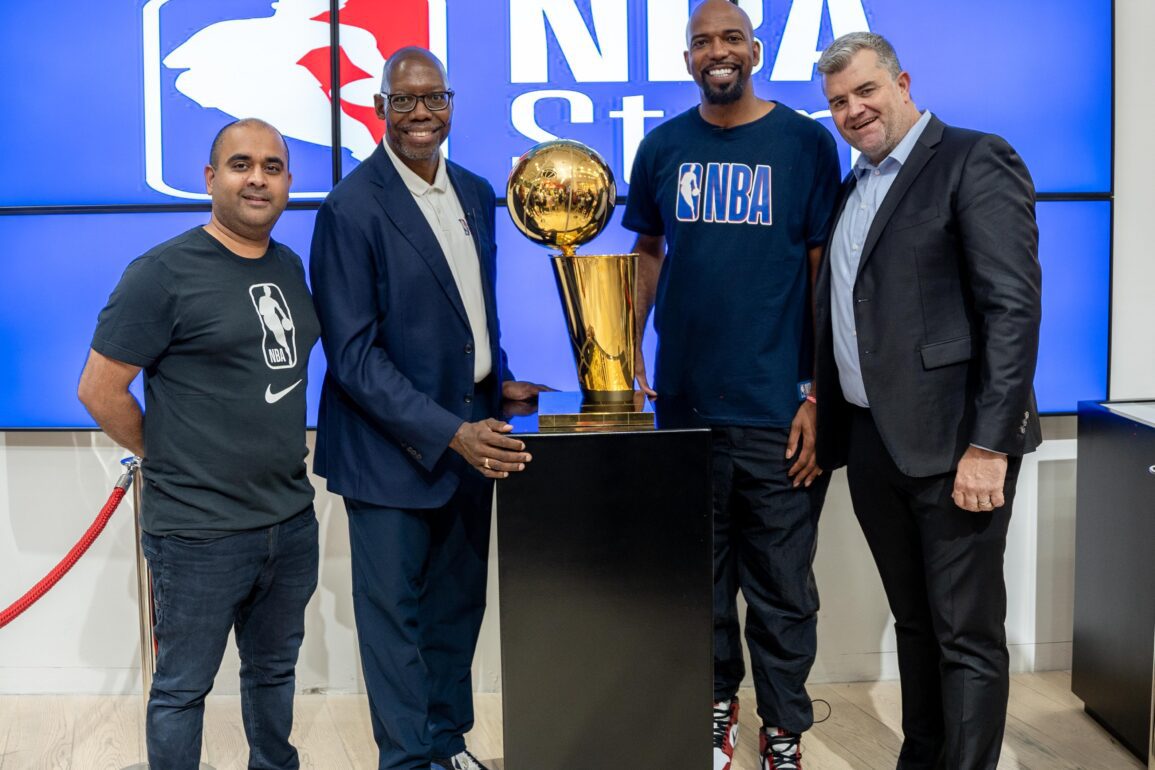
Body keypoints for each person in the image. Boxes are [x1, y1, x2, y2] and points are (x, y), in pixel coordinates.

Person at [308, 47, 546, 770]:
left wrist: (496, 379)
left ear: (450, 104)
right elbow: (352, 357)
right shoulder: (350, 208)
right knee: (395, 624)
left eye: (432, 99)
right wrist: (451, 434)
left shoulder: (475, 191)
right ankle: (407, 762)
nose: (419, 114)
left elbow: (471, 312)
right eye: (403, 101)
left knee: (455, 609)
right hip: (393, 452)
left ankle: (446, 745)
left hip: (476, 434)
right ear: (379, 109)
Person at [621, 2, 840, 768]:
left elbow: (822, 275)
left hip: (776, 411)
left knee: (782, 591)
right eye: (701, 42)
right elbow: (649, 249)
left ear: (753, 50)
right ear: (687, 59)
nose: (716, 52)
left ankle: (781, 732)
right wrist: (627, 344)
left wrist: (817, 393)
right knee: (698, 583)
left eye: (729, 39)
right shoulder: (661, 147)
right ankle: (713, 710)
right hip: (683, 407)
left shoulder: (806, 144)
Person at [815, 32, 1042, 770]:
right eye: (838, 102)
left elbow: (1012, 310)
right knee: (914, 624)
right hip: (874, 441)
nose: (853, 110)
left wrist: (989, 446)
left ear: (901, 82)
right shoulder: (855, 185)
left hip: (956, 445)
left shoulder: (975, 159)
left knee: (965, 635)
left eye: (864, 91)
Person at [77, 118, 320, 770]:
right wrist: (173, 458)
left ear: (288, 183)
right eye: (240, 165)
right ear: (211, 178)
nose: (257, 178)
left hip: (289, 523)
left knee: (273, 674)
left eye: (272, 167)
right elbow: (100, 390)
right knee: (183, 690)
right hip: (198, 533)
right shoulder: (161, 273)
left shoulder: (288, 265)